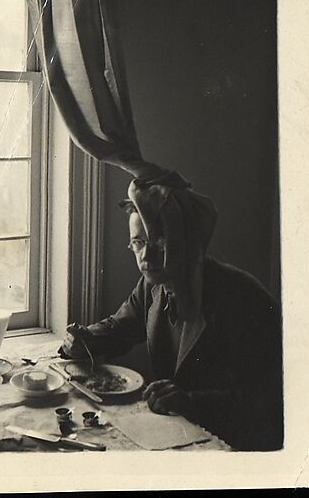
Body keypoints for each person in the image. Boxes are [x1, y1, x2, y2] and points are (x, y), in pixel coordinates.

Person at [60, 170, 283, 451]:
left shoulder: (240, 298)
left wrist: (190, 400)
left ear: (189, 244)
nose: (146, 256)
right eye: (138, 243)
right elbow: (122, 326)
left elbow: (269, 397)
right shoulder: (154, 283)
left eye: (161, 244)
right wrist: (85, 340)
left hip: (238, 447)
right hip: (178, 431)